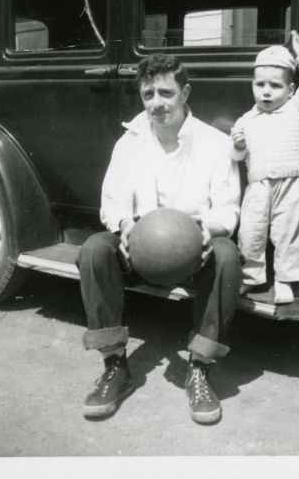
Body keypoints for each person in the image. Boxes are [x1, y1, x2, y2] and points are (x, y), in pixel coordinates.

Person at [78, 53, 242, 425]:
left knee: (227, 255)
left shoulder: (215, 144)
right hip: (142, 250)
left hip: (193, 251)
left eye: (166, 93)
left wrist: (206, 233)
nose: (157, 103)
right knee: (94, 250)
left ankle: (199, 369)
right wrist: (123, 226)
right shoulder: (129, 142)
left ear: (185, 93)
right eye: (148, 94)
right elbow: (113, 200)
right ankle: (115, 367)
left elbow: (229, 209)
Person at [230, 31, 299, 304]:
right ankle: (250, 277)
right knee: (250, 231)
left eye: (275, 86)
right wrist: (238, 145)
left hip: (291, 180)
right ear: (252, 86)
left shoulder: (297, 106)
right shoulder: (246, 119)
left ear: (291, 90)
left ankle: (286, 280)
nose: (267, 91)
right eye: (260, 85)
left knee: (288, 232)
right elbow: (236, 157)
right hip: (258, 184)